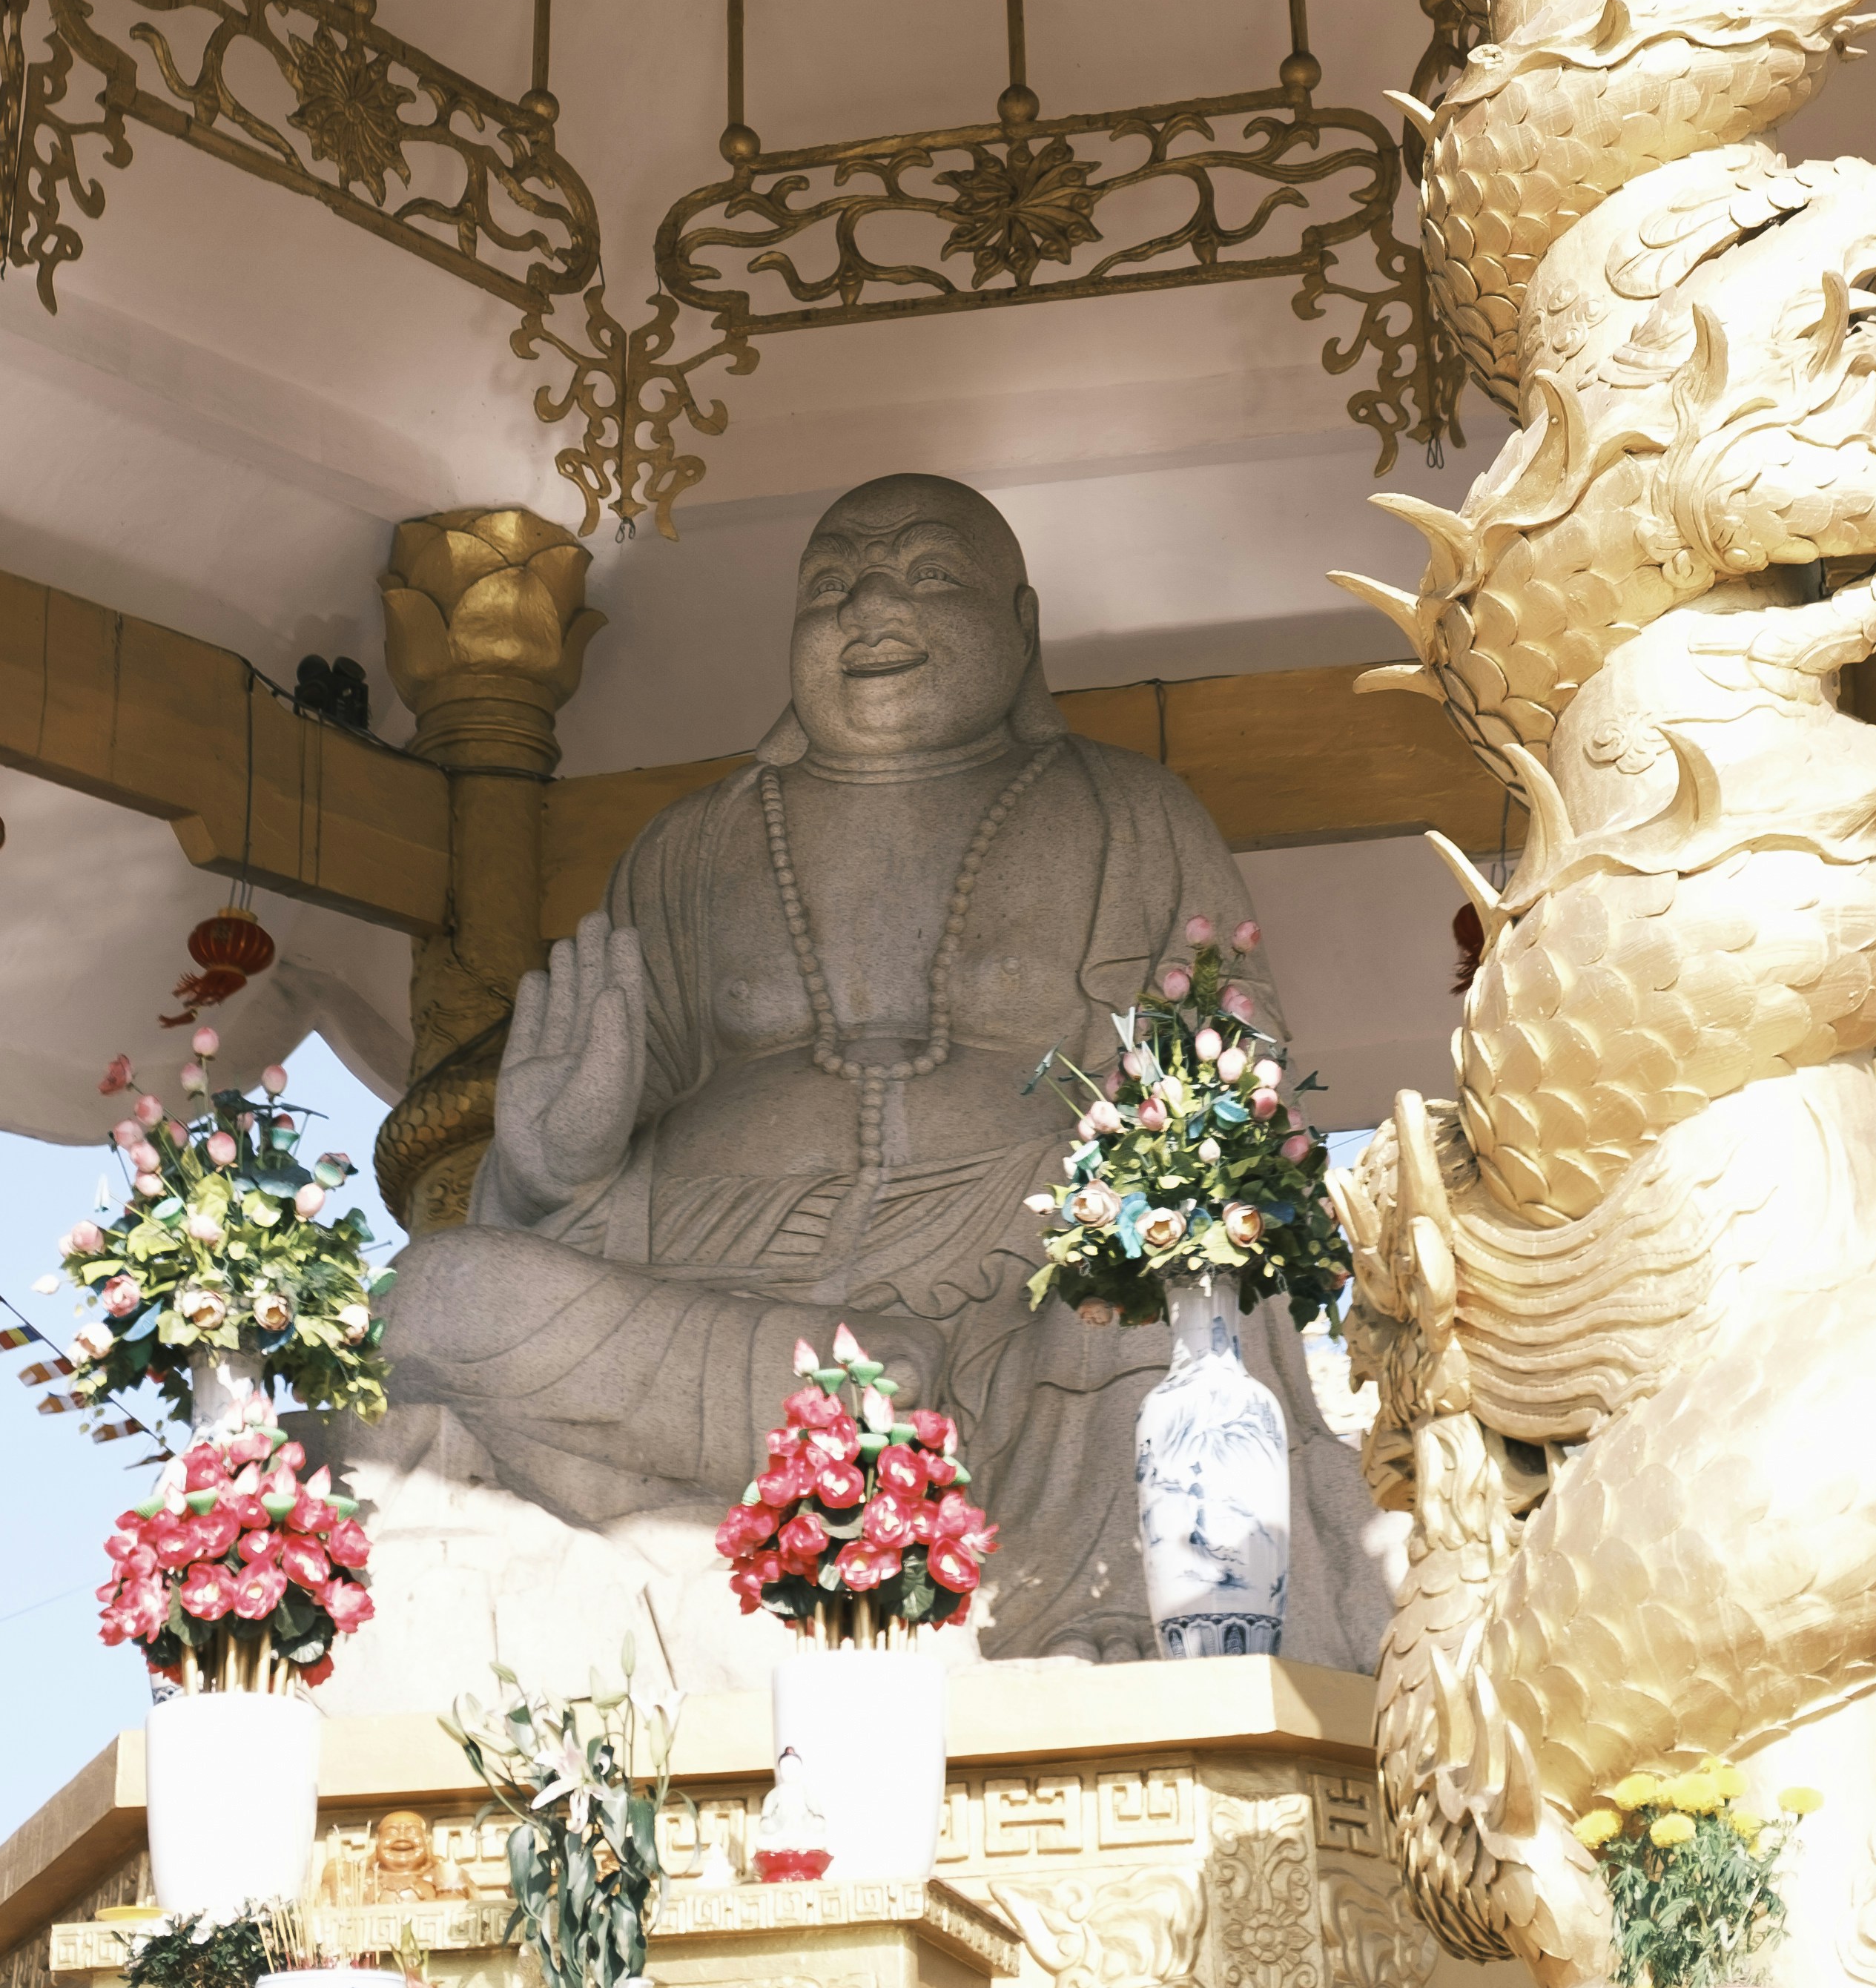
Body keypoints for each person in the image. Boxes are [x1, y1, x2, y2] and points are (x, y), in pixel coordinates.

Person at [334, 474, 1390, 1675]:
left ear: (1023, 625)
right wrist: (548, 1159)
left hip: (1012, 1300)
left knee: (1170, 1270)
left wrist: (1143, 1180)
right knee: (436, 1290)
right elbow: (596, 1134)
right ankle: (854, 1392)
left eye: (927, 576)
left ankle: (1063, 1585)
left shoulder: (1130, 815)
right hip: (714, 1291)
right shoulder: (695, 846)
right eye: (831, 586)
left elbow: (1229, 1100)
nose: (870, 609)